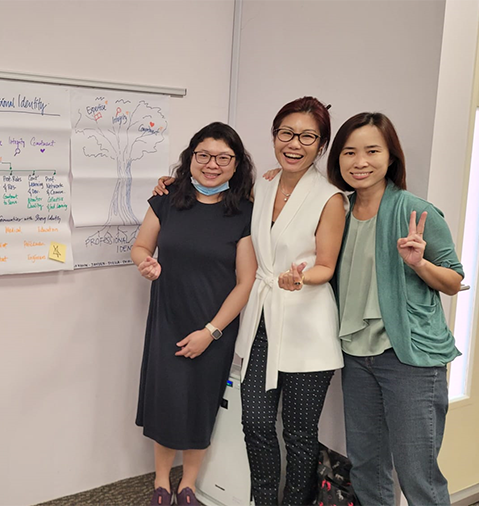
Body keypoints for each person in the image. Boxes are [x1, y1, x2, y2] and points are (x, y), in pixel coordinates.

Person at [155, 97, 347, 506]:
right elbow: (214, 197)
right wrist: (170, 184)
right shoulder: (263, 185)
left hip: (307, 327)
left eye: (308, 136)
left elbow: (326, 265)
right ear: (275, 136)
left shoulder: (330, 198)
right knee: (255, 422)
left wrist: (301, 277)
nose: (295, 144)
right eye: (286, 133)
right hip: (259, 320)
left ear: (321, 144)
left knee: (298, 433)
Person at [326, 112, 462, 506]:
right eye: (349, 152)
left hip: (409, 359)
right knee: (367, 468)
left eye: (372, 151)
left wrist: (419, 263)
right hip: (356, 356)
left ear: (391, 157)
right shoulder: (338, 211)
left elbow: (454, 281)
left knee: (417, 474)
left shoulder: (414, 210)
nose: (360, 161)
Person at [133, 122, 257, 506]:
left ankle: (188, 483)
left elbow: (245, 281)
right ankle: (160, 482)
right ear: (191, 159)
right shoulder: (167, 200)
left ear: (236, 165)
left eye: (223, 157)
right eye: (204, 155)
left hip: (214, 326)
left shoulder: (244, 213)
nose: (212, 164)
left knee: (201, 405)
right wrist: (146, 264)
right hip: (168, 319)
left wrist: (212, 332)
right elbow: (140, 247)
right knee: (166, 402)